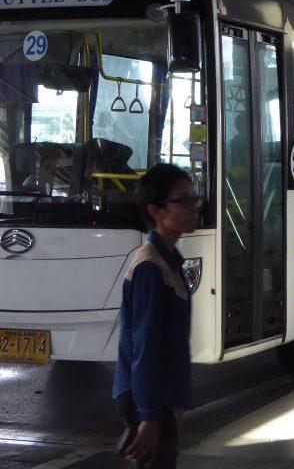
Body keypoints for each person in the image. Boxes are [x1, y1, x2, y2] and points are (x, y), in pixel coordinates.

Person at [114, 164, 201, 469]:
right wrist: (149, 415)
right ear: (157, 211)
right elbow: (145, 347)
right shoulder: (151, 268)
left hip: (160, 394)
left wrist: (175, 403)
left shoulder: (170, 260)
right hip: (147, 396)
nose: (193, 207)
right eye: (183, 200)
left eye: (193, 198)